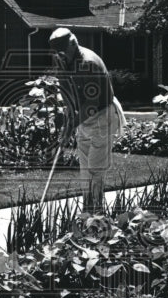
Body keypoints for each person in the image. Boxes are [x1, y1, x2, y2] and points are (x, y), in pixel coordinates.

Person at [48, 27, 127, 212]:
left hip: (102, 115)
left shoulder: (88, 63)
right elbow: (65, 91)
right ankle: (88, 208)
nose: (60, 56)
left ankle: (96, 211)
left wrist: (71, 126)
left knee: (95, 169)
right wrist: (68, 119)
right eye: (57, 52)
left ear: (73, 44)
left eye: (62, 51)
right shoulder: (61, 60)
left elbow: (90, 105)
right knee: (85, 169)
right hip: (84, 117)